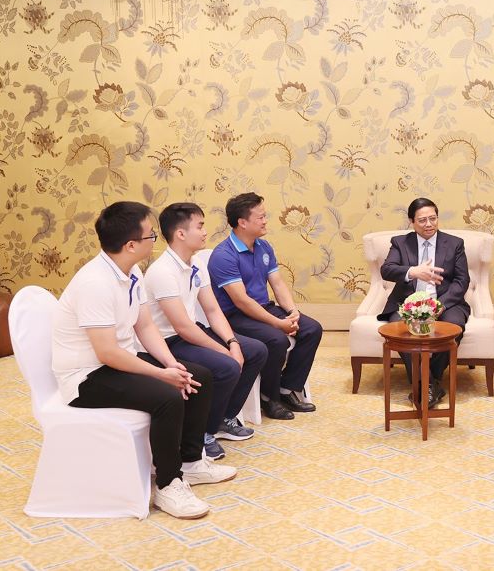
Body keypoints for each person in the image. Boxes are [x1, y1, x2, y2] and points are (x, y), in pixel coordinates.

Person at [52, 201, 235, 520]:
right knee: (167, 397)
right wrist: (160, 375)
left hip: (118, 361)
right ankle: (168, 484)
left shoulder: (132, 271)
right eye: (150, 235)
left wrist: (170, 364)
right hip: (85, 377)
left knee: (198, 376)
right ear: (131, 245)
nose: (155, 239)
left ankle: (191, 462)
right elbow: (107, 352)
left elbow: (145, 326)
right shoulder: (95, 283)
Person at [143, 202, 268, 460]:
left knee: (255, 351)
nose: (204, 232)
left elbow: (212, 310)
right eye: (199, 226)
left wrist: (232, 342)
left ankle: (222, 418)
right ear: (180, 233)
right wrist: (225, 352)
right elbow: (182, 327)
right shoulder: (162, 272)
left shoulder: (197, 263)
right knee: (227, 366)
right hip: (169, 341)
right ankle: (202, 432)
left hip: (192, 331)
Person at [207, 192, 323, 420]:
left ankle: (286, 388)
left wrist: (292, 312)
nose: (265, 221)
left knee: (312, 329)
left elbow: (277, 284)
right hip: (235, 315)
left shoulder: (263, 246)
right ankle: (269, 397)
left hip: (263, 307)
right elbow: (241, 301)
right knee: (276, 339)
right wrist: (278, 324)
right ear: (242, 222)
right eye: (260, 217)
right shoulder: (223, 255)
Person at [379, 197, 470, 409]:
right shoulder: (400, 243)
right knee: (400, 329)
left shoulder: (455, 243)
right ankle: (429, 385)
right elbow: (387, 270)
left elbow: (462, 280)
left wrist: (439, 305)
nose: (429, 224)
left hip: (446, 302)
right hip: (407, 303)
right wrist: (413, 271)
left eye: (433, 218)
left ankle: (425, 383)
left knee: (455, 327)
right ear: (412, 222)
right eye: (422, 220)